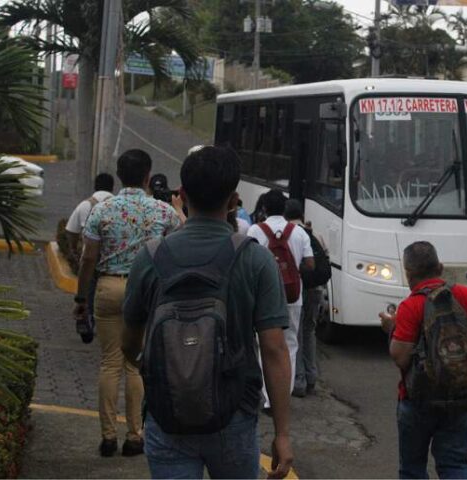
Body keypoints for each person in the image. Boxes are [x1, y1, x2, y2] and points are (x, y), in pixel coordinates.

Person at [122, 146, 293, 479]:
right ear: (233, 201)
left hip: (166, 414)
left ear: (182, 195)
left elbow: (129, 344)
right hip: (234, 417)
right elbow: (274, 350)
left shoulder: (150, 257)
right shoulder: (255, 260)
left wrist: (172, 366)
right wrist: (283, 434)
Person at [73, 149, 181, 457]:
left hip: (108, 286)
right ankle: (135, 436)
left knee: (110, 363)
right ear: (148, 176)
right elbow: (179, 246)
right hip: (146, 291)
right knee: (136, 365)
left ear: (120, 176)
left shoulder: (102, 210)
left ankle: (108, 436)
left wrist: (82, 297)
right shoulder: (163, 212)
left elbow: (88, 259)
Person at [379, 241, 467, 479]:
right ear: (440, 267)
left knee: (412, 469)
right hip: (461, 397)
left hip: (418, 400)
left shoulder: (411, 306)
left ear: (408, 273)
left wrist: (392, 328)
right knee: (455, 465)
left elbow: (400, 357)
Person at [248, 190, 314, 406]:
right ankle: (283, 395)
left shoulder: (255, 230)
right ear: (286, 209)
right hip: (293, 296)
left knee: (264, 344)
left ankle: (267, 397)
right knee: (290, 345)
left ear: (264, 209)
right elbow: (310, 264)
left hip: (263, 296)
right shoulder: (299, 232)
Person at [284, 199, 329, 398]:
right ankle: (312, 378)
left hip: (299, 288)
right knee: (310, 332)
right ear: (302, 215)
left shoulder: (290, 233)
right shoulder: (314, 234)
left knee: (296, 334)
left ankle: (299, 381)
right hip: (317, 289)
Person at [65, 173, 114, 260]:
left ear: (95, 187)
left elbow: (71, 231)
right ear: (112, 188)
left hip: (88, 259)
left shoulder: (84, 205)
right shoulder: (120, 207)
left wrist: (74, 250)